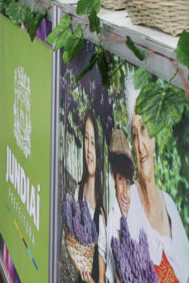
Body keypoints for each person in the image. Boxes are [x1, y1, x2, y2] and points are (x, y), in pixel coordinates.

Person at [126, 111, 189, 282]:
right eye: (134, 136)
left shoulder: (169, 203)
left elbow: (185, 274)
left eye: (144, 129)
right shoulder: (127, 201)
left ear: (154, 137)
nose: (140, 146)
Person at [76, 114, 108, 283]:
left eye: (94, 143)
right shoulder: (78, 191)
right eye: (86, 139)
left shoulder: (103, 213)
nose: (88, 149)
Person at [106, 128, 134, 283]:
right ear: (112, 177)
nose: (125, 192)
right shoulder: (112, 220)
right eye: (120, 180)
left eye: (128, 182)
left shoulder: (134, 216)